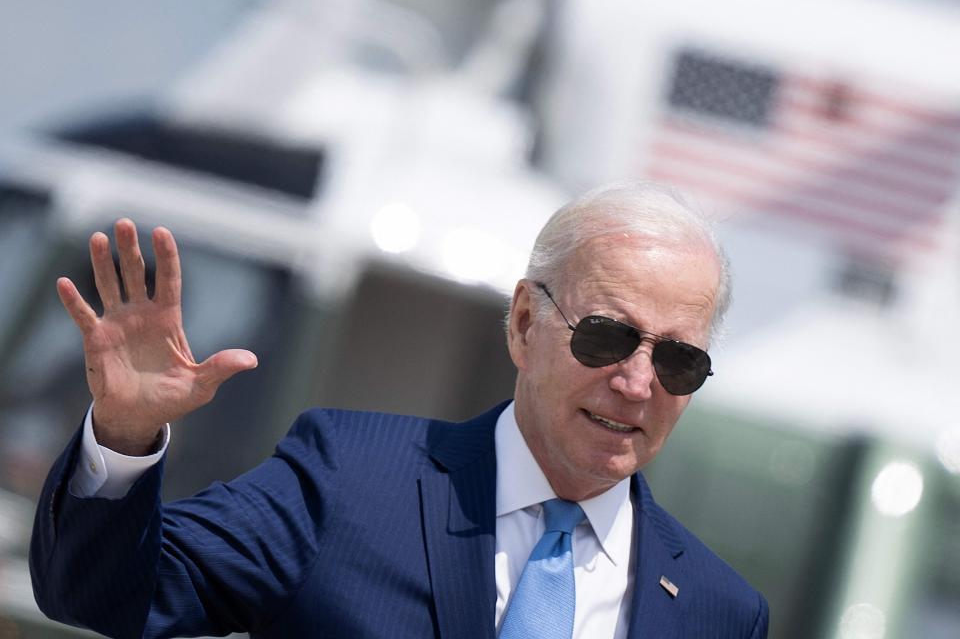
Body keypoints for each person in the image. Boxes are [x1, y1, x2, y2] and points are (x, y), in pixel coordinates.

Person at [30, 182, 769, 638]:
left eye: (678, 360)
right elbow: (104, 596)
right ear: (521, 323)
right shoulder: (350, 481)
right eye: (607, 337)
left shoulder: (718, 613)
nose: (638, 383)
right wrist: (124, 433)